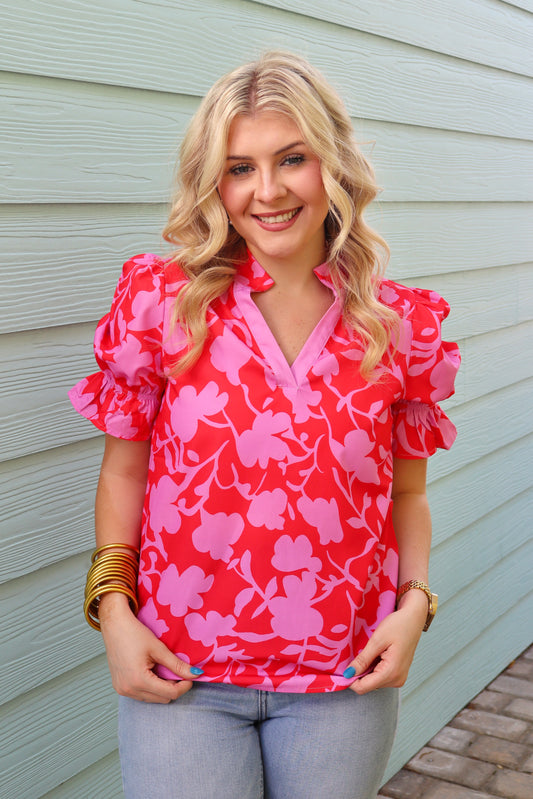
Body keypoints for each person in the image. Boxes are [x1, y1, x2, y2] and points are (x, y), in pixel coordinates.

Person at [69, 51, 460, 799]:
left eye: (292, 159)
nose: (268, 190)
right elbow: (124, 471)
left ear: (333, 166)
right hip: (177, 672)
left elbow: (405, 495)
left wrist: (414, 604)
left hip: (342, 677)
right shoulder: (162, 307)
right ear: (214, 181)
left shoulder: (399, 328)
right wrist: (111, 610)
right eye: (239, 167)